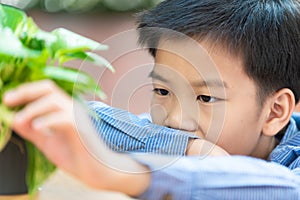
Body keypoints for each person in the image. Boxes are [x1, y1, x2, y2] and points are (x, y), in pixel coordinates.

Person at [2, 0, 300, 199]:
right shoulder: (172, 138)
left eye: (205, 97)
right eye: (162, 91)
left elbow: (284, 189)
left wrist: (130, 175)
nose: (174, 118)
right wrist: (187, 147)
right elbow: (96, 122)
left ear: (275, 112)